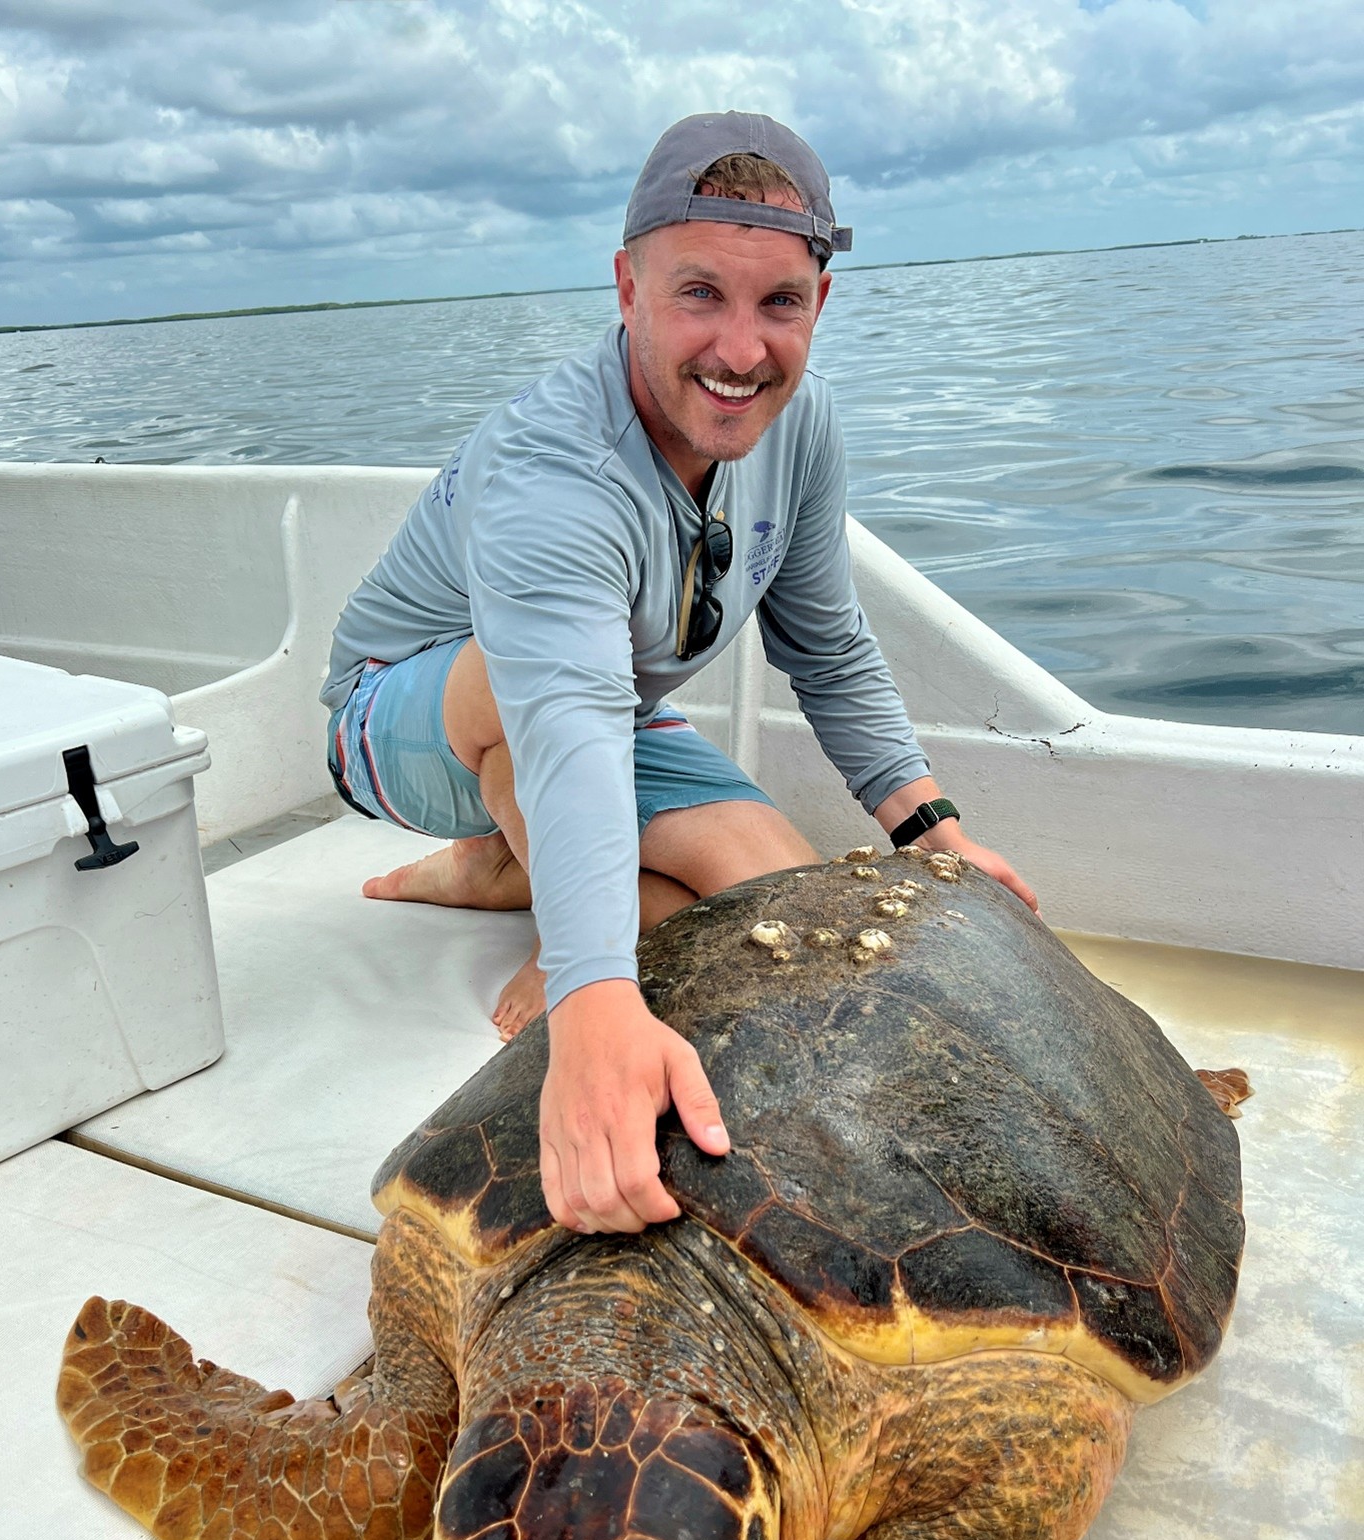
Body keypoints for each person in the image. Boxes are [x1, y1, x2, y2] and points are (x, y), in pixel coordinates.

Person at [322, 111, 1036, 1239]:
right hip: (405, 712)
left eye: (778, 303)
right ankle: (549, 905)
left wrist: (930, 832)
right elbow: (561, 715)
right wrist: (593, 993)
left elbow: (827, 645)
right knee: (526, 697)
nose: (740, 351)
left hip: (606, 712)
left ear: (820, 302)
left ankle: (499, 868)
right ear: (628, 289)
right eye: (699, 293)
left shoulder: (801, 428)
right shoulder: (553, 464)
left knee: (779, 911)